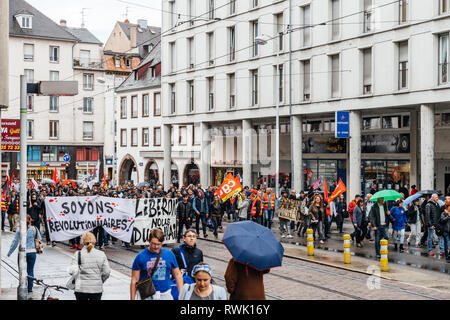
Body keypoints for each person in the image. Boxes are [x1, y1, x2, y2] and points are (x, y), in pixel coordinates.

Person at [130, 228, 183, 300]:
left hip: (165, 294)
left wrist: (182, 294)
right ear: (148, 241)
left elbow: (177, 275)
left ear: (162, 242)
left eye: (159, 244)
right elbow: (134, 280)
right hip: (147, 295)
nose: (156, 247)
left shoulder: (169, 254)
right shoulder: (140, 257)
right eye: (153, 244)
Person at [68, 232, 111, 300]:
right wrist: (100, 280)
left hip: (81, 289)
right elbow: (107, 272)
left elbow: (72, 271)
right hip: (96, 289)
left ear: (83, 241)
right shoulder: (101, 254)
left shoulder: (78, 254)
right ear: (94, 241)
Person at [7, 215, 41, 293]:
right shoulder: (34, 228)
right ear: (30, 220)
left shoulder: (19, 230)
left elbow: (15, 242)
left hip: (22, 253)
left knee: (21, 270)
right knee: (30, 270)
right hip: (32, 252)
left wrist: (9, 252)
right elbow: (39, 238)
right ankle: (30, 288)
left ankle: (22, 286)